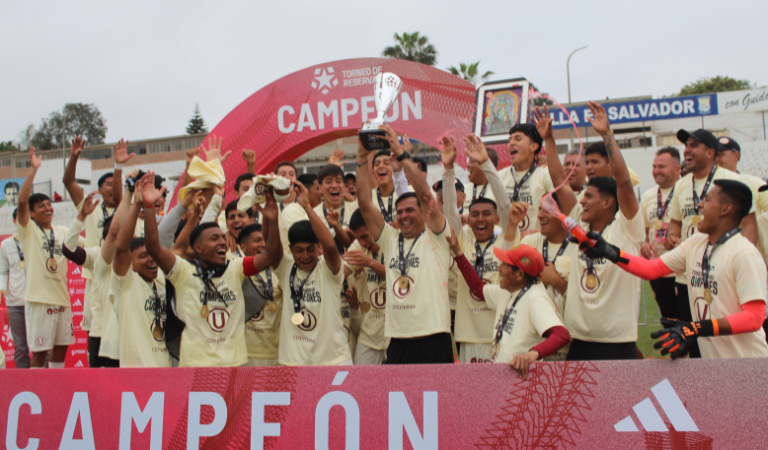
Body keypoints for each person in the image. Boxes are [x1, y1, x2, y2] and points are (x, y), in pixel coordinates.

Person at [581, 179, 768, 359]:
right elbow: (652, 269)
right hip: (716, 366)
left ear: (726, 209)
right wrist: (611, 252)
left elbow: (755, 317)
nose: (699, 205)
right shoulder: (696, 243)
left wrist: (697, 328)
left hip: (749, 365)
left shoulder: (744, 254)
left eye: (708, 200)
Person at [142, 171, 281, 367]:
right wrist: (148, 206)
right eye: (214, 238)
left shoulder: (236, 268)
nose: (222, 242)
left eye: (223, 238)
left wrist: (272, 220)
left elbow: (272, 256)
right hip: (195, 367)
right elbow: (154, 247)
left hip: (236, 367)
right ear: (197, 248)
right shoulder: (182, 271)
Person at [542, 102, 645, 361]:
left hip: (616, 341)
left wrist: (606, 134)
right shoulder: (580, 223)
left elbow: (622, 182)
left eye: (589, 196)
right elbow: (558, 179)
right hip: (580, 339)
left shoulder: (627, 227)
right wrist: (549, 139)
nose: (582, 201)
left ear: (609, 201)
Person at [357, 123, 454, 364]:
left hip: (434, 335)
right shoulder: (390, 238)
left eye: (410, 210)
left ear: (423, 213)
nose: (404, 215)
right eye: (400, 212)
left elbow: (424, 195)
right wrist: (360, 157)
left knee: (440, 401)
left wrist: (401, 154)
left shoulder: (437, 236)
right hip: (398, 338)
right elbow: (365, 204)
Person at [666, 128, 757, 357]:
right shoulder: (681, 185)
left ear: (710, 152)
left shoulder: (731, 182)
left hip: (722, 275)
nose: (687, 149)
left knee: (727, 340)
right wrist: (671, 237)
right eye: (686, 145)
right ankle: (701, 391)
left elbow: (749, 226)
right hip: (688, 276)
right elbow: (675, 222)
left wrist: (739, 260)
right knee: (693, 343)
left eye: (694, 145)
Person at [450, 241, 570, 378]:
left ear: (519, 274)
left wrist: (532, 354)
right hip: (505, 380)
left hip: (522, 387)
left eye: (504, 265)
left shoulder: (536, 298)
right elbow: (478, 289)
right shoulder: (507, 291)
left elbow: (561, 335)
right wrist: (458, 253)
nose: (499, 269)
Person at [440, 133, 511, 363]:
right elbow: (450, 210)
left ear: (496, 218)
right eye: (475, 215)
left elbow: (505, 204)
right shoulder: (464, 238)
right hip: (468, 336)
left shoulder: (505, 239)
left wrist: (487, 164)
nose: (480, 220)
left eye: (487, 214)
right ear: (468, 218)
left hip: (500, 333)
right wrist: (449, 169)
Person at [271, 181, 352, 365]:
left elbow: (332, 246)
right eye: (299, 250)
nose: (305, 256)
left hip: (332, 361)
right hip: (293, 362)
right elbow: (272, 250)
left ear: (319, 248)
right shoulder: (286, 266)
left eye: (311, 249)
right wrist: (271, 215)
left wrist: (307, 207)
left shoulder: (329, 268)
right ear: (290, 249)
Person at [16, 147, 80, 368]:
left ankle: (55, 391)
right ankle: (37, 392)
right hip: (39, 300)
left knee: (62, 348)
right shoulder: (28, 230)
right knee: (41, 352)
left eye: (48, 204)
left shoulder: (61, 231)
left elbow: (88, 245)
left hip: (62, 299)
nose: (47, 208)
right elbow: (22, 202)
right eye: (41, 206)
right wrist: (34, 170)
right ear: (32, 214)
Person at [110, 173, 173, 367]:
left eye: (152, 255)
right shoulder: (125, 284)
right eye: (143, 256)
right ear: (130, 261)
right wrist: (138, 203)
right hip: (137, 374)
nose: (151, 260)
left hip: (167, 370)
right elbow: (121, 247)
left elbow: (155, 243)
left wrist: (150, 207)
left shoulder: (161, 280)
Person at [63, 137, 121, 339]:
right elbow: (68, 182)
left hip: (121, 274)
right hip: (94, 275)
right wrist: (73, 157)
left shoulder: (127, 211)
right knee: (94, 330)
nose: (113, 188)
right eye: (108, 184)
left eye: (116, 185)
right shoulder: (91, 207)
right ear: (99, 189)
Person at [639, 147, 681, 320]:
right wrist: (645, 244)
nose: (656, 171)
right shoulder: (648, 196)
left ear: (677, 169)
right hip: (658, 270)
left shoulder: (686, 192)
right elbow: (644, 231)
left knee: (688, 322)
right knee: (668, 322)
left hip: (682, 270)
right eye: (654, 166)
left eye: (661, 166)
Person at [344, 209, 389, 364]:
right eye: (358, 238)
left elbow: (401, 281)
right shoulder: (359, 245)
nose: (362, 243)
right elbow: (339, 275)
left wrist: (369, 263)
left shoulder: (395, 240)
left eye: (364, 236)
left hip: (396, 336)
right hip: (369, 335)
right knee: (360, 387)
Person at [238, 223, 282, 366]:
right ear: (243, 247)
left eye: (266, 240)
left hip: (277, 353)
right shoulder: (235, 270)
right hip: (246, 354)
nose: (263, 245)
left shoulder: (280, 270)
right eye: (257, 240)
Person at [497, 123, 554, 233]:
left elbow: (559, 214)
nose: (511, 143)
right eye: (509, 140)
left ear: (533, 146)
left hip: (536, 246)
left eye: (518, 139)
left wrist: (535, 233)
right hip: (506, 246)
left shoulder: (546, 174)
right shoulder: (499, 176)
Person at [0, 209, 30, 368]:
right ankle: (23, 382)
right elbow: (2, 271)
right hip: (15, 303)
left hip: (37, 301)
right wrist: (2, 287)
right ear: (14, 221)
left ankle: (45, 382)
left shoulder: (39, 240)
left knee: (43, 346)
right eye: (20, 218)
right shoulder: (6, 245)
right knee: (20, 347)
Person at [716, 136, 768, 214]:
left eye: (720, 154)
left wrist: (758, 224)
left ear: (736, 156)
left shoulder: (754, 183)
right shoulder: (705, 183)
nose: (716, 159)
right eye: (714, 154)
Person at [314, 164, 358, 248]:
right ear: (320, 188)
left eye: (338, 181)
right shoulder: (313, 215)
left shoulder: (356, 208)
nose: (334, 186)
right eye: (328, 182)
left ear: (344, 186)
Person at [462, 147, 500, 211]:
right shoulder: (462, 190)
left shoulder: (500, 190)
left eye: (472, 161)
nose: (467, 165)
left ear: (487, 164)